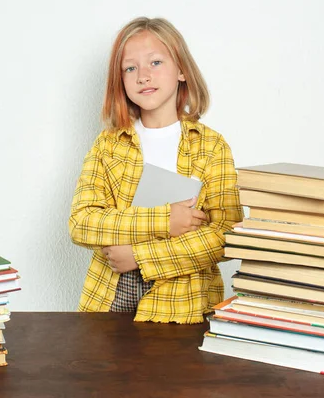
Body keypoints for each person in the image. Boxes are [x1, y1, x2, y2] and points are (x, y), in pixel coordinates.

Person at [68, 17, 243, 324]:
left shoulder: (211, 147)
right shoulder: (108, 145)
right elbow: (82, 223)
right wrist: (168, 220)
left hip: (183, 306)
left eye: (156, 62)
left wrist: (139, 257)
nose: (143, 76)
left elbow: (226, 235)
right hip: (110, 300)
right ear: (120, 81)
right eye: (130, 68)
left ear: (182, 71)